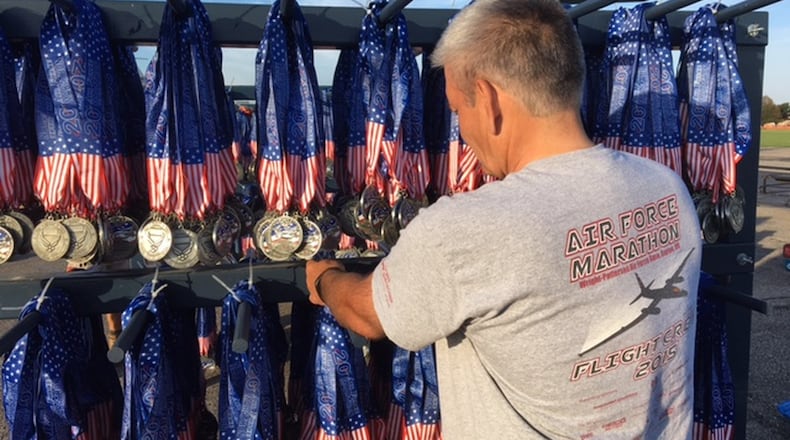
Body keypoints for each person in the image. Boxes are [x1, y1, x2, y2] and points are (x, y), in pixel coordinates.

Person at [305, 0, 702, 438]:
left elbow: (367, 317)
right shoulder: (667, 187)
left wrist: (326, 279)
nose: (463, 132)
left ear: (490, 99)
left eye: (458, 111)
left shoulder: (466, 228)